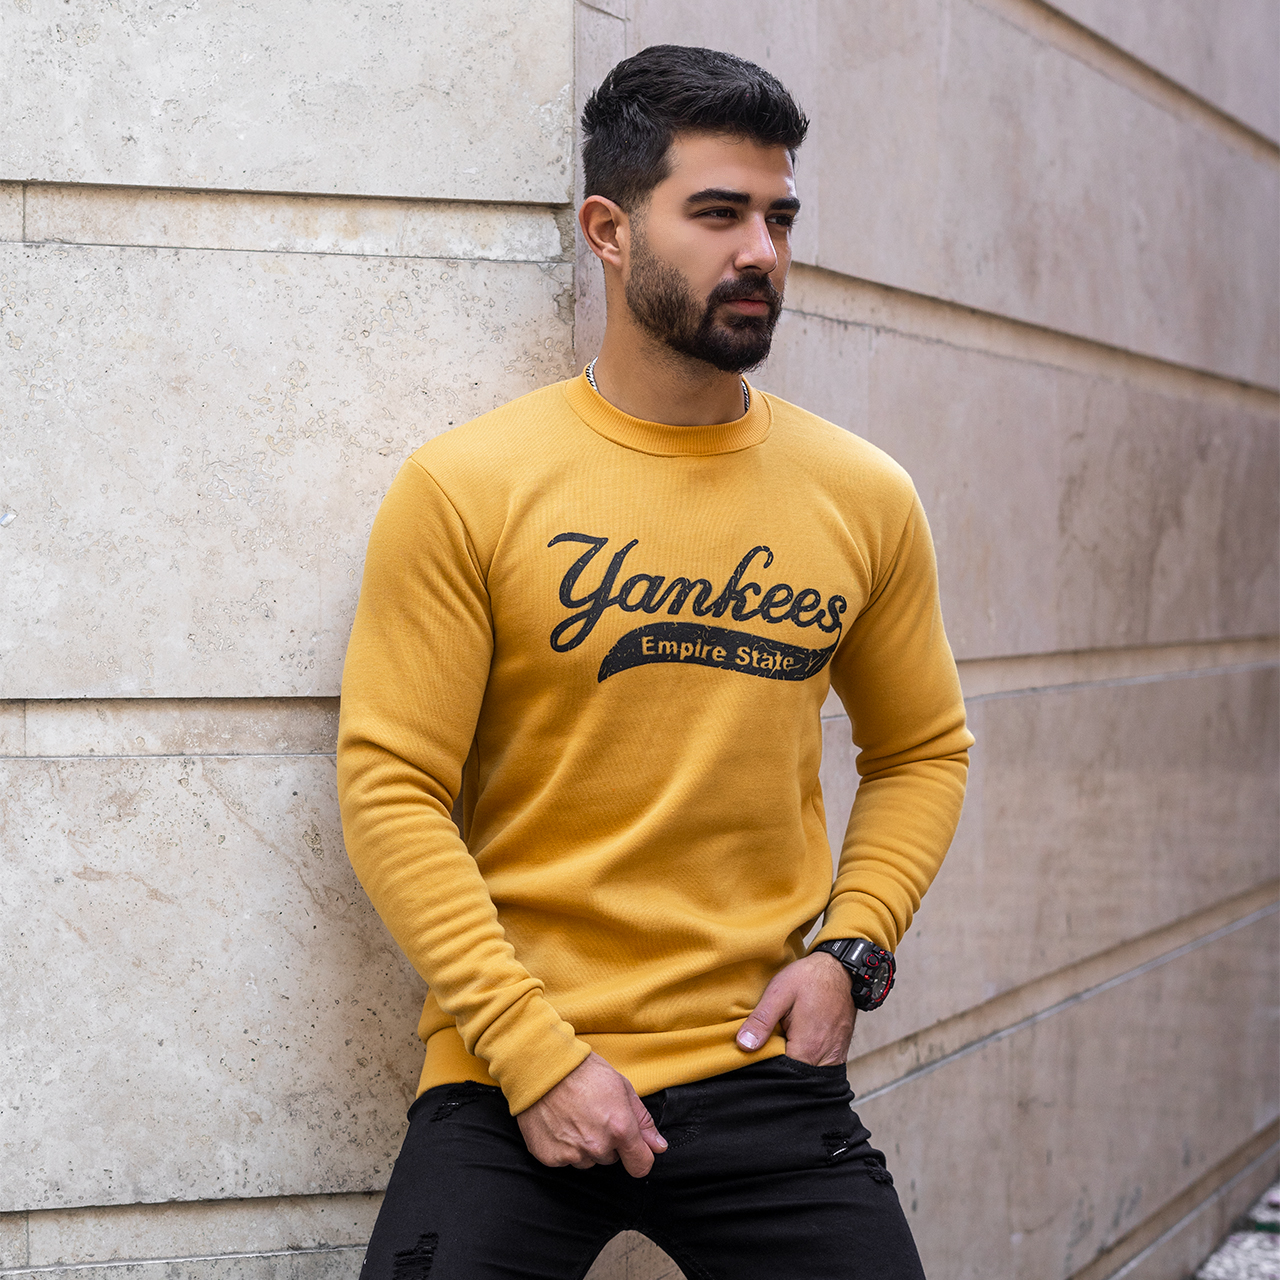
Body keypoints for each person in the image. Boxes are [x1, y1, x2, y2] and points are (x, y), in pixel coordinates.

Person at [338, 44, 972, 1280]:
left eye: (779, 218)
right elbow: (389, 787)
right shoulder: (469, 486)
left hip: (762, 1065)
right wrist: (532, 1053)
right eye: (718, 213)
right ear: (609, 230)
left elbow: (921, 748)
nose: (761, 252)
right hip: (514, 1067)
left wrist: (851, 948)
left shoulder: (860, 495)